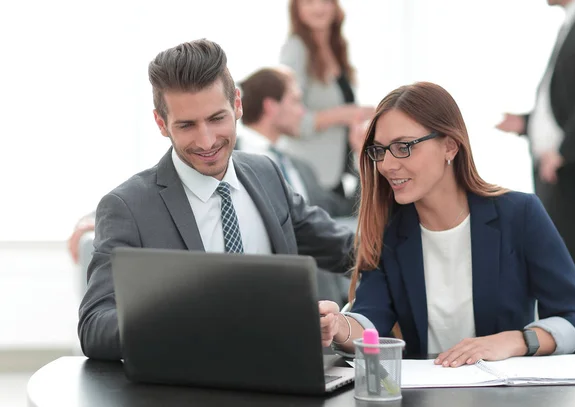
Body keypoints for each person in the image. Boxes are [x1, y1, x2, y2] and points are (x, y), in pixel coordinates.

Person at [78, 39, 367, 361]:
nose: (206, 141)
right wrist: (197, 320)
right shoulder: (129, 207)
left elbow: (346, 250)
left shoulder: (265, 173)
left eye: (217, 119)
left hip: (283, 373)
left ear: (238, 105)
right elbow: (95, 327)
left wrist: (422, 241)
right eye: (187, 125)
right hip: (192, 386)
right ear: (161, 123)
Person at [319, 82, 575, 367]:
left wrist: (515, 340)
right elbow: (370, 320)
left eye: (403, 147)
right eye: (380, 150)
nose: (388, 165)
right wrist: (338, 326)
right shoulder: (389, 229)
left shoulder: (519, 214)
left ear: (450, 146)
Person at [496, 0, 575, 320]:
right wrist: (528, 124)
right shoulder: (573, 23)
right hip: (553, 164)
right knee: (559, 255)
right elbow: (567, 98)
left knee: (573, 257)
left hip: (569, 167)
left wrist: (564, 151)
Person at [279, 0, 374, 199]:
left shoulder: (336, 47)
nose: (318, 8)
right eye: (309, 2)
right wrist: (343, 114)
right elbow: (289, 120)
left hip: (336, 175)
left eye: (325, 1)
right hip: (310, 177)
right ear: (297, 10)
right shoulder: (296, 48)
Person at [237, 66, 356, 218]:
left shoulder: (300, 169)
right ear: (271, 106)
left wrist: (362, 154)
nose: (302, 112)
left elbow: (347, 212)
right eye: (295, 101)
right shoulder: (227, 162)